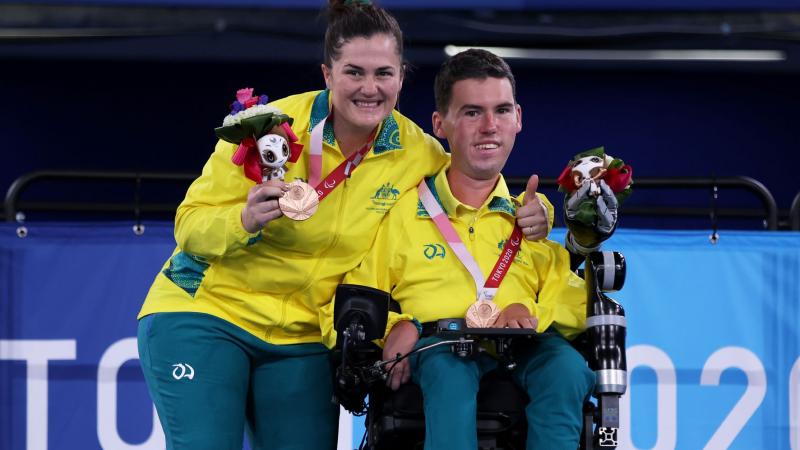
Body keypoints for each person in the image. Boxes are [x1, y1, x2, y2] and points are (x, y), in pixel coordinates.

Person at [136, 1, 553, 449]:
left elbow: (474, 181)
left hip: (304, 335)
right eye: (354, 72)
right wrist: (243, 219)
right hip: (207, 313)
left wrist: (539, 211)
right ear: (327, 75)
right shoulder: (268, 129)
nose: (369, 88)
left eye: (383, 74)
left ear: (401, 76)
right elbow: (190, 225)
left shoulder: (417, 150)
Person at [336, 48, 594, 449]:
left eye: (502, 111)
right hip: (438, 347)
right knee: (449, 368)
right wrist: (397, 326)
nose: (490, 126)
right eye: (472, 112)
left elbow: (576, 302)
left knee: (568, 368)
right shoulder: (402, 213)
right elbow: (356, 298)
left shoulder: (529, 218)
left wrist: (530, 313)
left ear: (518, 119)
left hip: (522, 348)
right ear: (441, 124)